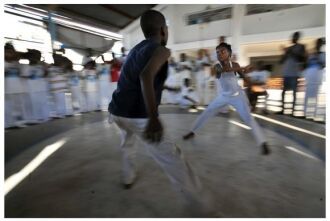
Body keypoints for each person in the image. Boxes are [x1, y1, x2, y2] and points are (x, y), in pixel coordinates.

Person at [108, 10, 215, 215]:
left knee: (127, 143)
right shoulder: (162, 50)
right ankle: (203, 210)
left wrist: (163, 89)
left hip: (117, 111)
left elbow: (138, 78)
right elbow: (146, 75)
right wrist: (154, 118)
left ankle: (128, 177)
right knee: (173, 159)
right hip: (137, 115)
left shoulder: (134, 50)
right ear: (163, 30)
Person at [183, 42, 270, 155]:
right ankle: (192, 131)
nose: (219, 54)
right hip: (223, 96)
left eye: (222, 51)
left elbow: (244, 79)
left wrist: (250, 80)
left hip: (238, 96)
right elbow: (221, 71)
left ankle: (262, 142)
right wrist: (242, 68)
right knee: (207, 112)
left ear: (229, 54)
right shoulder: (217, 66)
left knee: (248, 118)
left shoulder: (235, 65)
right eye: (218, 52)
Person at [280, 31, 307, 115]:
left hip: (294, 73)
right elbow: (281, 61)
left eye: (295, 37)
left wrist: (290, 52)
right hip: (286, 73)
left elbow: (301, 59)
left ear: (298, 38)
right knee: (283, 92)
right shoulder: (289, 48)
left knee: (294, 93)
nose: (292, 38)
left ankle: (292, 111)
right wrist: (284, 53)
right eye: (292, 37)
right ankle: (283, 109)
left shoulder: (301, 47)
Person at [303, 38, 325, 119]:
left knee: (315, 96)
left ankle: (313, 114)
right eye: (318, 43)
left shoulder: (323, 54)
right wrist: (307, 57)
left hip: (317, 76)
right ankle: (305, 113)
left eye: (320, 43)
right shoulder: (311, 53)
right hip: (309, 75)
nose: (318, 45)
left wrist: (318, 59)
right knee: (307, 95)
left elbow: (323, 65)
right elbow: (306, 64)